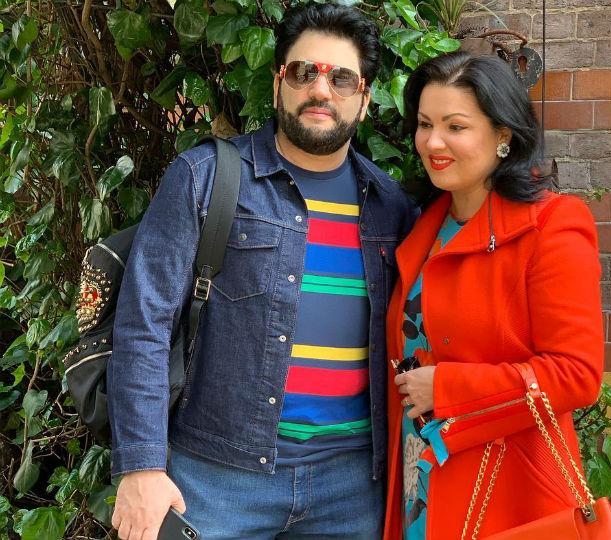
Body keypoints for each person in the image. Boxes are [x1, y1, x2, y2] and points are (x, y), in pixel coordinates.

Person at [108, 4, 417, 539]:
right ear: (278, 83)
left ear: (365, 100)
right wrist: (141, 466)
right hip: (216, 478)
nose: (320, 90)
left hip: (352, 487)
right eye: (304, 71)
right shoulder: (205, 177)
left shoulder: (389, 206)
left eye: (341, 78)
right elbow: (143, 325)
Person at [382, 52, 604, 539]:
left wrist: (447, 389)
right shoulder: (423, 226)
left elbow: (577, 374)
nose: (432, 142)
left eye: (455, 126)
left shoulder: (551, 225)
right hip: (421, 475)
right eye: (424, 124)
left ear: (503, 135)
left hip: (505, 490)